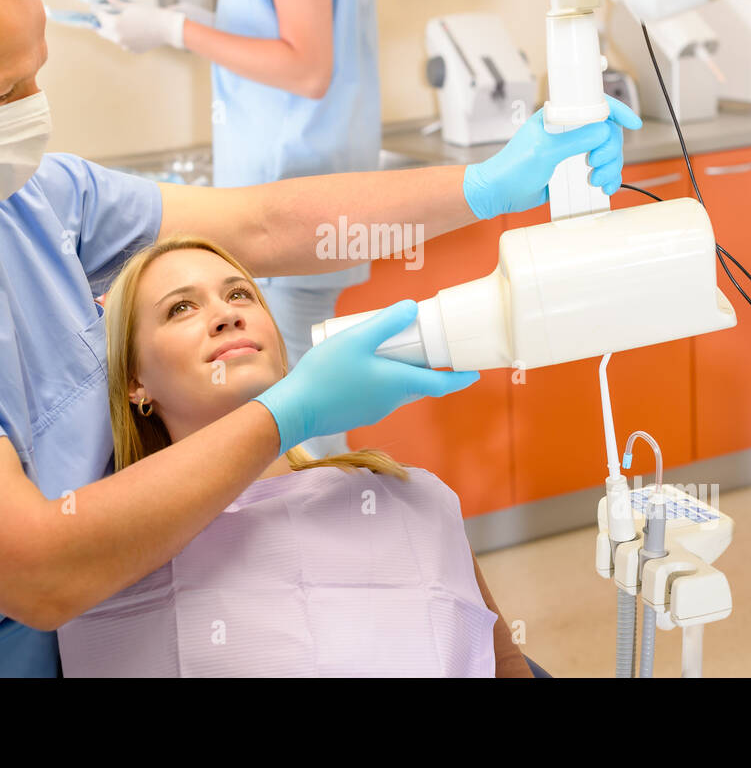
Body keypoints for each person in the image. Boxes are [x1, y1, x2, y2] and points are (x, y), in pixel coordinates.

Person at [0, 0, 636, 676]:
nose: (35, 109)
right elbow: (39, 569)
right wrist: (291, 410)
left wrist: (489, 185)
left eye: (38, 72)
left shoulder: (13, 197)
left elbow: (266, 225)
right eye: (4, 92)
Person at [57, 236, 533, 676]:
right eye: (181, 308)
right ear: (135, 382)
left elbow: (505, 664)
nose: (227, 315)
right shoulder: (104, 556)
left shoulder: (407, 496)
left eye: (240, 294)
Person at [88, 0, 380, 457]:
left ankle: (333, 545)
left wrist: (174, 32)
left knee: (303, 416)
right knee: (308, 404)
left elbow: (305, 66)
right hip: (309, 197)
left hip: (288, 204)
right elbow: (293, 45)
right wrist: (202, 24)